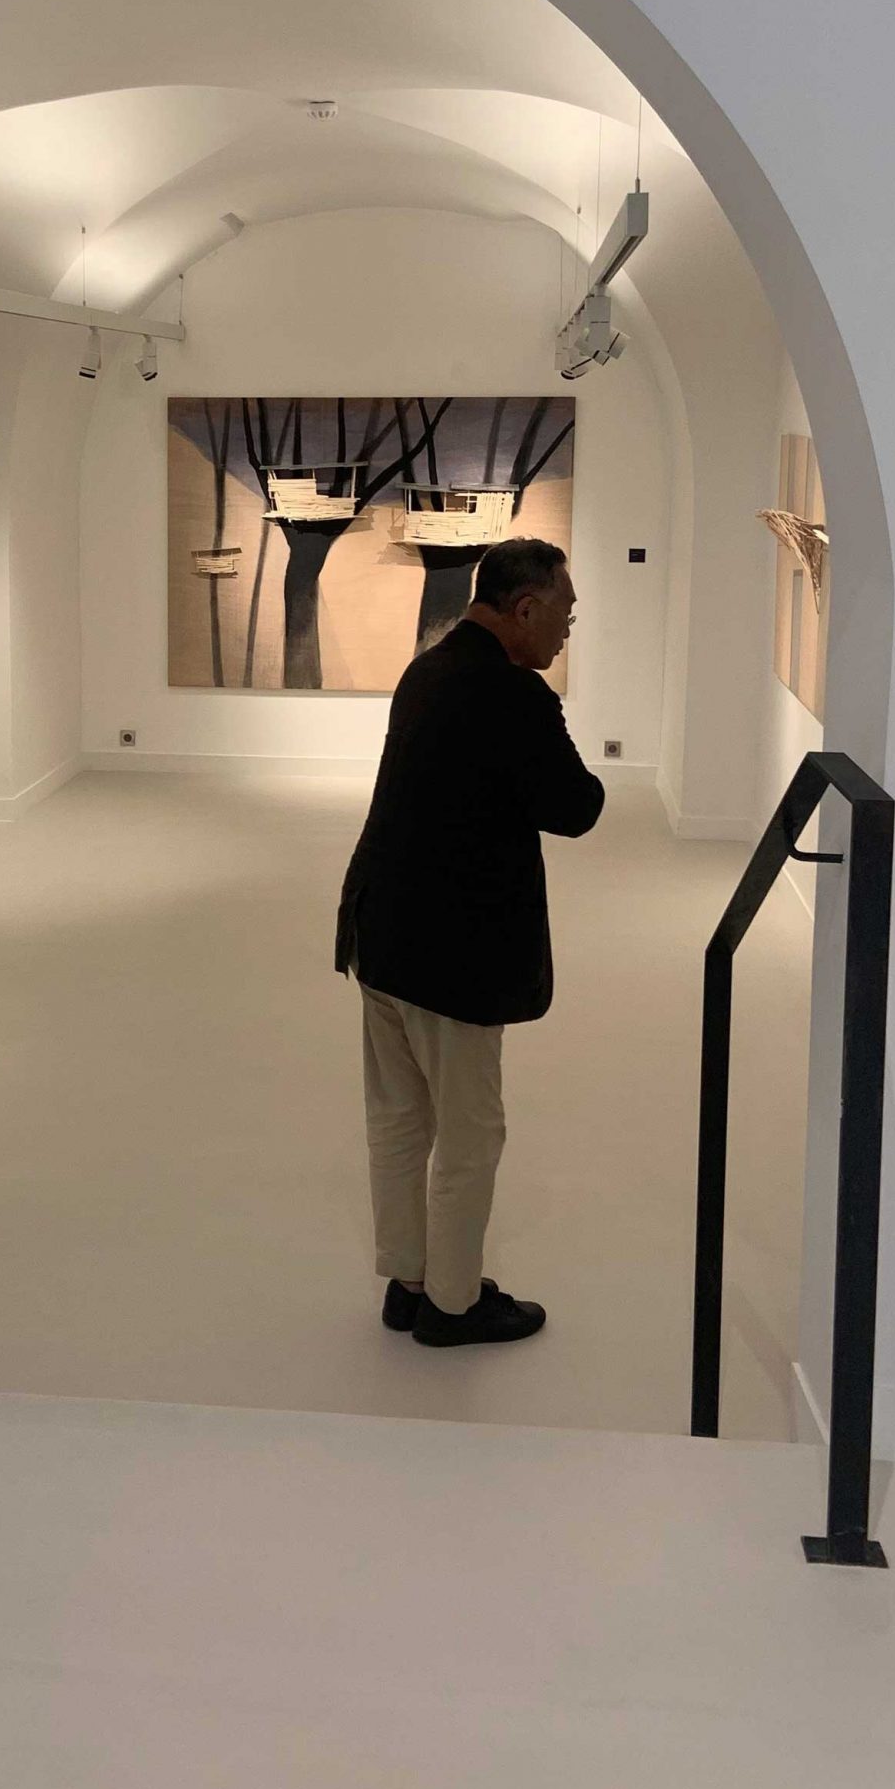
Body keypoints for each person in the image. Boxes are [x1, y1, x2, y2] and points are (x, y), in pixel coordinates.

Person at [335, 538, 605, 1346]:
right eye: (565, 612)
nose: (567, 628)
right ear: (525, 607)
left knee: (398, 1119)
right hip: (450, 953)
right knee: (470, 1133)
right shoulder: (512, 694)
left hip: (380, 931)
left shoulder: (427, 669)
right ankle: (452, 1305)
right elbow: (576, 806)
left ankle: (408, 1280)